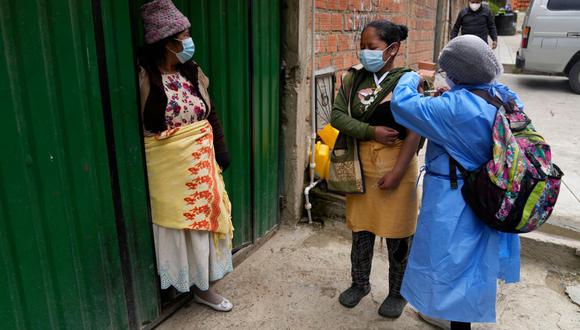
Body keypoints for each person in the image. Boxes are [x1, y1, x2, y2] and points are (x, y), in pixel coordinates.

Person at [390, 35, 521, 329]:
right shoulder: (501, 94)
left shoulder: (454, 107)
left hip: (455, 199)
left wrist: (410, 77)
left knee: (448, 262)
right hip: (488, 192)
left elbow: (403, 105)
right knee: (472, 264)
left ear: (457, 71)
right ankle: (454, 317)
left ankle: (456, 322)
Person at [138, 0, 234, 312]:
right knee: (173, 227)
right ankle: (174, 286)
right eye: (186, 34)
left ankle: (204, 288)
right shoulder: (143, 76)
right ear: (168, 42)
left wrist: (220, 151)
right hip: (166, 168)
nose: (190, 40)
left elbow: (211, 113)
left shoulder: (192, 70)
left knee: (204, 225)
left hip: (201, 165)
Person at [330, 20, 421, 318]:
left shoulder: (409, 81)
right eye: (362, 47)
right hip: (361, 165)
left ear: (393, 49)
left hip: (399, 166)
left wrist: (396, 173)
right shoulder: (354, 79)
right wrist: (371, 132)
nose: (365, 53)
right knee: (362, 229)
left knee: (398, 233)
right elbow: (337, 117)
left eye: (373, 48)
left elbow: (416, 132)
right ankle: (360, 283)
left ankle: (397, 291)